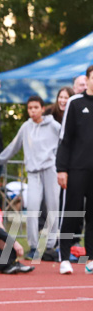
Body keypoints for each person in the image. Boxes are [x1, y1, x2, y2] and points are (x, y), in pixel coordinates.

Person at [0, 96, 60, 260]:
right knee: (32, 207)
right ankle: (33, 246)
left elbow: (65, 143)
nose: (32, 111)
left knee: (54, 206)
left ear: (42, 108)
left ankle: (51, 245)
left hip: (50, 170)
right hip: (33, 172)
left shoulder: (54, 126)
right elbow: (13, 146)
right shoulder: (26, 127)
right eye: (30, 108)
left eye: (35, 107)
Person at [57, 65, 93, 275]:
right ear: (86, 80)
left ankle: (90, 259)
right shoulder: (75, 102)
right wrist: (61, 168)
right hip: (76, 169)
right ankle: (64, 258)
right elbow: (65, 138)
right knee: (71, 213)